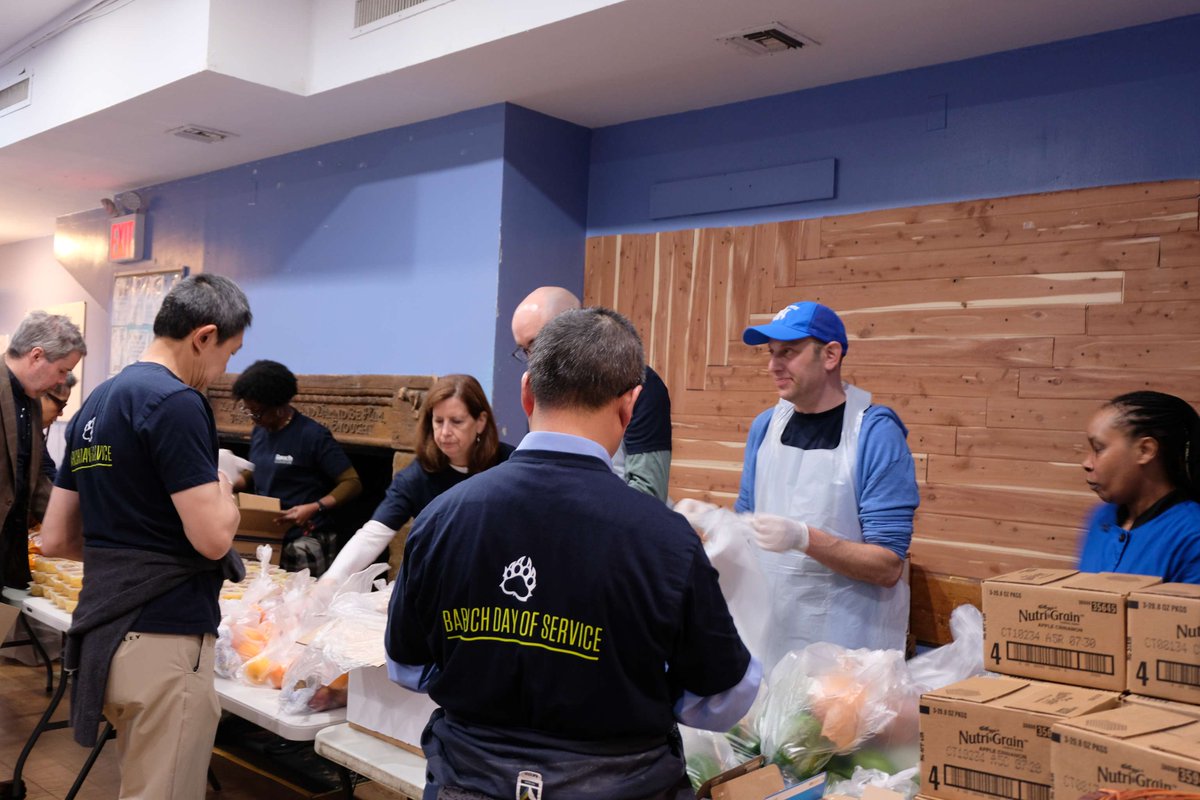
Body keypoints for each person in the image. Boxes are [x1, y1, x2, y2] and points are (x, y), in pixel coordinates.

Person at [388, 307, 759, 800]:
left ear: (526, 393)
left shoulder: (440, 518)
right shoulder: (666, 539)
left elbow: (406, 667)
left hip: (467, 781)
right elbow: (724, 698)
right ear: (630, 407)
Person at [40, 274, 251, 800]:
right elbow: (212, 540)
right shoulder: (176, 402)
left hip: (106, 638)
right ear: (203, 336)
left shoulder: (96, 402)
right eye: (230, 351)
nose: (226, 370)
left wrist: (128, 546)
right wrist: (225, 487)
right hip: (165, 642)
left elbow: (57, 538)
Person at [705, 301, 919, 666]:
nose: (773, 366)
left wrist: (805, 538)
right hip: (769, 640)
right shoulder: (765, 427)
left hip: (848, 653)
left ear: (831, 355)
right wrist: (712, 525)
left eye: (788, 352)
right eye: (771, 354)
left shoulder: (874, 433)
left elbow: (887, 567)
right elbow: (747, 524)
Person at [321, 374, 512, 586]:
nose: (445, 432)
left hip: (497, 584)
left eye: (457, 421)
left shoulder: (511, 464)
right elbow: (374, 533)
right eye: (438, 421)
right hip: (439, 583)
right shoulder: (417, 475)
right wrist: (330, 580)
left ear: (480, 422)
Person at [511, 286, 673, 501]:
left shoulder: (637, 382)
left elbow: (649, 491)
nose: (532, 361)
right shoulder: (539, 385)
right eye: (524, 350)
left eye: (537, 345)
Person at [230, 360, 362, 576]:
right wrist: (235, 482)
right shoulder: (260, 432)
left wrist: (314, 506)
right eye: (249, 411)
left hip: (304, 535)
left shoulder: (313, 436)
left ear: (280, 408)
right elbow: (258, 467)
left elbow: (352, 483)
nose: (254, 419)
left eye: (257, 413)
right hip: (267, 531)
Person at [1078, 390, 1200, 583]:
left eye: (1099, 449)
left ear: (1145, 450)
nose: (1087, 463)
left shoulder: (1193, 535)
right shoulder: (1101, 516)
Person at [2, 311, 85, 590]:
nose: (62, 381)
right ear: (36, 355)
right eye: (63, 370)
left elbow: (33, 481)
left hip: (9, 558)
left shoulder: (32, 402)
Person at [40, 372, 78, 479]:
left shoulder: (35, 434)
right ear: (41, 393)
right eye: (60, 405)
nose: (61, 413)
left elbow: (48, 471)